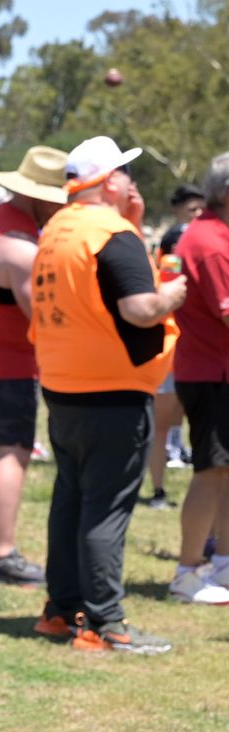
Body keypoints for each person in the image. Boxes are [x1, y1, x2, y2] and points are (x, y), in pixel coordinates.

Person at [31, 136, 185, 653]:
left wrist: (132, 222)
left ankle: (60, 610)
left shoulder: (58, 228)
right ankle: (105, 623)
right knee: (105, 508)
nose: (130, 181)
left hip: (63, 383)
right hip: (113, 388)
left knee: (71, 500)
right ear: (108, 181)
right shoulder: (111, 233)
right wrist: (171, 295)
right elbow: (139, 309)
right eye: (124, 171)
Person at [0, 147, 68, 586]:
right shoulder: (20, 249)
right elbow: (39, 316)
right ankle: (2, 554)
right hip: (6, 362)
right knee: (12, 453)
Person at [169, 156, 229, 604]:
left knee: (223, 472)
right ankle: (187, 572)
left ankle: (222, 564)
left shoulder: (215, 234)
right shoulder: (211, 243)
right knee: (210, 472)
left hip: (213, 370)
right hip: (212, 373)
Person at [147, 183, 207, 505]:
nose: (197, 214)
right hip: (171, 345)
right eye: (191, 208)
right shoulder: (176, 242)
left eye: (200, 208)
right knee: (161, 423)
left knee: (185, 419)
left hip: (193, 346)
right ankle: (158, 489)